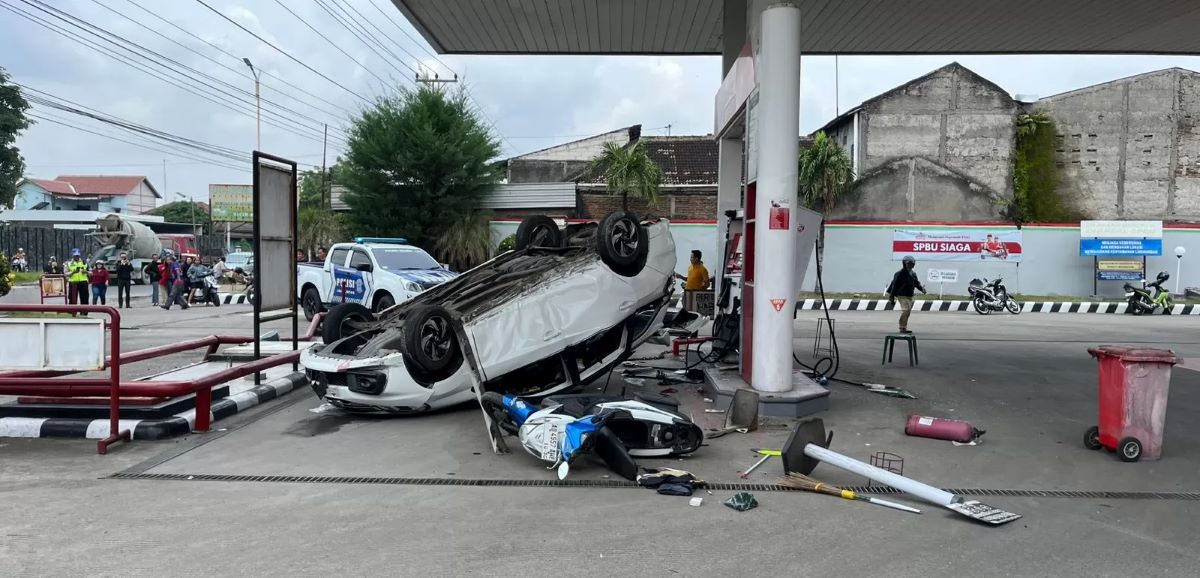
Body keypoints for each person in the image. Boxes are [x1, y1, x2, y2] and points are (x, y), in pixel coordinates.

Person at [886, 255, 927, 334]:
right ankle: (902, 327)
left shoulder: (913, 274)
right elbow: (894, 285)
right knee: (906, 310)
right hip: (901, 295)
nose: (912, 264)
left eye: (913, 263)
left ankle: (904, 327)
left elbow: (916, 283)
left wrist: (922, 289)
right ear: (904, 264)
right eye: (909, 263)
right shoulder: (899, 273)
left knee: (908, 312)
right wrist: (891, 296)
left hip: (909, 295)